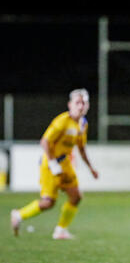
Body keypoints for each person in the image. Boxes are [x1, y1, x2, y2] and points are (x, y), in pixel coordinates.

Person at [10, 89, 99, 239]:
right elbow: (45, 141)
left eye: (84, 103)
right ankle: (18, 215)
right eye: (78, 102)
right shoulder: (62, 121)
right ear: (70, 104)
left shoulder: (83, 124)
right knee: (48, 202)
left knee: (76, 197)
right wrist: (53, 164)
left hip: (66, 164)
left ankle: (61, 230)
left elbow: (81, 148)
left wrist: (91, 168)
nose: (81, 106)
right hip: (50, 164)